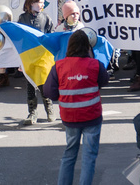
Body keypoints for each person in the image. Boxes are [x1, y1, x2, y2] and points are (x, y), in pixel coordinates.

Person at [43, 30, 108, 185]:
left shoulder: (58, 66)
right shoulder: (95, 64)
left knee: (69, 154)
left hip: (70, 117)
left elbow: (49, 92)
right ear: (87, 47)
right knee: (89, 157)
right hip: (92, 116)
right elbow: (104, 80)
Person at [17, 0, 55, 124]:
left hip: (43, 57)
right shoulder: (22, 19)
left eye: (43, 3)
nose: (42, 5)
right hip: (29, 58)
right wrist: (21, 61)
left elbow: (51, 37)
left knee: (43, 83)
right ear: (31, 3)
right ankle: (32, 113)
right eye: (39, 2)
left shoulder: (46, 18)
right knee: (30, 85)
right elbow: (19, 40)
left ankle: (49, 108)